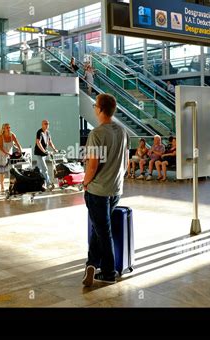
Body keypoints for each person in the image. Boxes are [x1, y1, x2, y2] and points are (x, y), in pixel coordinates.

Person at [82, 93, 129, 286]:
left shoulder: (97, 133)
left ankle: (109, 272)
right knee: (99, 228)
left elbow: (92, 165)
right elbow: (125, 163)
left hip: (97, 191)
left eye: (95, 106)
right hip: (115, 189)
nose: (94, 109)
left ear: (101, 109)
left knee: (103, 231)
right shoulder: (122, 131)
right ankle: (92, 263)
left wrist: (85, 183)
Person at [0, 123, 23, 194]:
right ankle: (2, 186)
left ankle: (11, 185)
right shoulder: (1, 136)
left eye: (9, 127)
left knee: (12, 170)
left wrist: (20, 151)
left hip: (9, 155)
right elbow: (0, 147)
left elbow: (18, 144)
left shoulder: (12, 135)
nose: (9, 129)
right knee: (2, 171)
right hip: (1, 155)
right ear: (3, 129)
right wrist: (8, 153)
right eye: (7, 128)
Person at [34, 120, 58, 190]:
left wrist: (54, 149)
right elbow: (38, 143)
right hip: (39, 153)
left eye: (48, 124)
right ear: (42, 125)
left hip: (44, 154)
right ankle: (48, 183)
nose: (47, 125)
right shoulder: (39, 132)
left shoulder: (48, 132)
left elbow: (50, 142)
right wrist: (44, 151)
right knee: (45, 168)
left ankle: (40, 183)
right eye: (45, 124)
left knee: (40, 169)